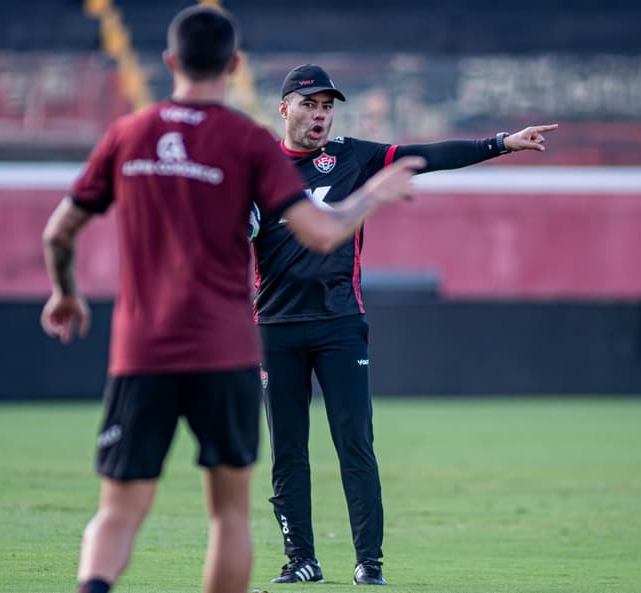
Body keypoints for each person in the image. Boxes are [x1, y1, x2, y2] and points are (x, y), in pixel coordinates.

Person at [39, 10, 424, 593]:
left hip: (143, 348)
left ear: (169, 62)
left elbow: (57, 233)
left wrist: (66, 292)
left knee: (116, 511)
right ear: (235, 65)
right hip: (225, 349)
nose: (320, 115)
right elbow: (320, 232)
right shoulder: (246, 144)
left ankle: (94, 585)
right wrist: (373, 194)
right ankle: (314, 561)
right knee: (229, 515)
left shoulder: (128, 133)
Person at [253, 63, 558, 586]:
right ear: (284, 109)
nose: (320, 115)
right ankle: (300, 559)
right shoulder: (257, 168)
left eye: (327, 106)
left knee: (355, 443)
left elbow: (426, 158)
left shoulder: (352, 155)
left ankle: (369, 563)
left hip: (340, 324)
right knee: (287, 450)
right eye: (309, 105)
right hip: (275, 327)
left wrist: (501, 143)